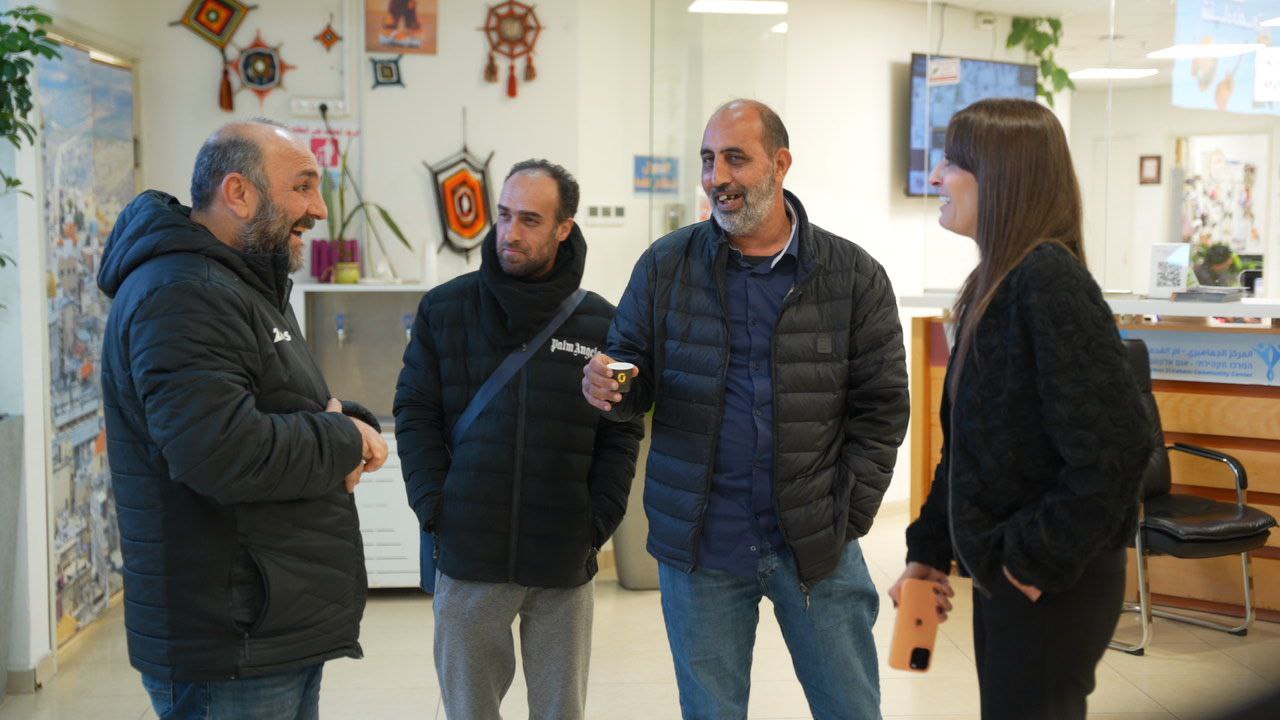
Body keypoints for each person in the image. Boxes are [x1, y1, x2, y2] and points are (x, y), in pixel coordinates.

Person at [581, 99, 909, 719]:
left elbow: (883, 410)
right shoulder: (666, 265)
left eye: (736, 158)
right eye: (708, 159)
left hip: (816, 543)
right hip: (702, 544)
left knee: (850, 709)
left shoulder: (853, 276)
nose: (718, 177)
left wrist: (847, 515)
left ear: (780, 164)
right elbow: (630, 369)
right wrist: (608, 387)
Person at [97, 119, 388, 720]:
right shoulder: (184, 293)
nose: (318, 209)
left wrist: (349, 425)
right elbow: (221, 450)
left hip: (267, 623)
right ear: (239, 193)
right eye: (302, 187)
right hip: (230, 640)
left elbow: (269, 399)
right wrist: (341, 438)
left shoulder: (240, 281)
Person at [890, 98, 1153, 720]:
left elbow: (1118, 450)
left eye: (953, 163)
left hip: (1052, 582)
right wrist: (928, 551)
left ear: (1001, 177)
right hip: (1012, 575)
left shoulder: (1049, 279)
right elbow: (970, 453)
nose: (935, 177)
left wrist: (1029, 562)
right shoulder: (997, 282)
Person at [394, 159, 643, 720]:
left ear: (564, 227)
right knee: (469, 710)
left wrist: (597, 520)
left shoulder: (604, 324)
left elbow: (623, 429)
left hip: (563, 552)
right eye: (504, 215)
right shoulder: (444, 309)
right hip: (468, 551)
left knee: (560, 711)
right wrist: (435, 506)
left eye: (530, 220)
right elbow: (415, 411)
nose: (510, 232)